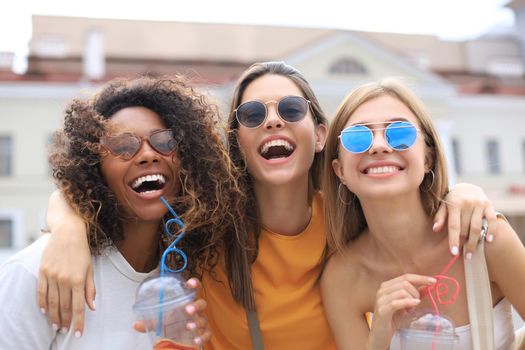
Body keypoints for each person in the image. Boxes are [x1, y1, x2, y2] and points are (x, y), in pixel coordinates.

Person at [38, 62, 497, 349]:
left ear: (320, 137)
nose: (273, 119)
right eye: (253, 115)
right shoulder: (204, 224)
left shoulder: (351, 219)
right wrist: (66, 229)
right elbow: (126, 187)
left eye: (292, 111)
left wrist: (465, 193)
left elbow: (410, 201)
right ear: (237, 141)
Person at [0, 76, 248, 348]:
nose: (147, 155)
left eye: (164, 141)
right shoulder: (41, 272)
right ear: (95, 168)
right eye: (123, 146)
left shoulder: (194, 276)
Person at [320, 78, 525, 349]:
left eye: (400, 133)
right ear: (340, 171)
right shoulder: (341, 278)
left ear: (427, 158)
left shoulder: (485, 236)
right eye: (358, 137)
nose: (379, 146)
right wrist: (379, 335)